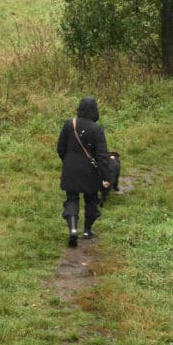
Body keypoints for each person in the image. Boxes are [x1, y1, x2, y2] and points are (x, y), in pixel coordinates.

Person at [56, 96, 111, 247]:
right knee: (91, 200)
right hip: (90, 172)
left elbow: (60, 148)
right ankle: (87, 231)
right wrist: (106, 176)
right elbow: (102, 155)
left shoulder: (69, 124)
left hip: (71, 169)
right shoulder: (97, 129)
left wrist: (68, 162)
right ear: (95, 110)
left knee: (72, 199)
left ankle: (73, 229)